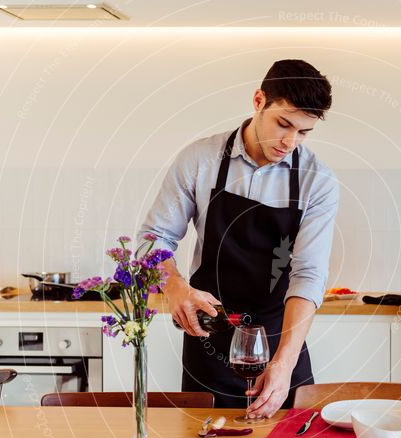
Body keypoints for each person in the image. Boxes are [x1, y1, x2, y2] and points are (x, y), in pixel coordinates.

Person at [139, 59, 338, 418]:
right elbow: (154, 238)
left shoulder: (316, 181)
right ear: (259, 100)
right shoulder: (200, 160)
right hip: (209, 337)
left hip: (279, 339)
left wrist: (284, 363)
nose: (290, 141)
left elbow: (308, 274)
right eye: (284, 124)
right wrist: (176, 288)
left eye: (304, 132)